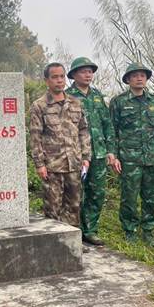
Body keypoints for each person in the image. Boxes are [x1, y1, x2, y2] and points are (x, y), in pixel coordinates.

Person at [30, 63, 91, 228]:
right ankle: (53, 242)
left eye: (62, 76)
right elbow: (35, 136)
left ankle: (72, 240)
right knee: (52, 209)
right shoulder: (40, 105)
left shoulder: (76, 103)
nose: (59, 80)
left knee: (74, 207)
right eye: (54, 77)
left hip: (74, 164)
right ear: (47, 80)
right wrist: (39, 164)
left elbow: (83, 131)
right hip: (52, 166)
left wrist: (86, 157)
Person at [110, 63, 154, 246]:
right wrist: (114, 155)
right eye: (135, 76)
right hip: (129, 158)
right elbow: (112, 131)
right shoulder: (119, 102)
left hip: (151, 158)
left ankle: (148, 230)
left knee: (151, 196)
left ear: (146, 79)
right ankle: (130, 230)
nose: (139, 78)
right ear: (128, 80)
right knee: (129, 196)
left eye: (142, 75)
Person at [66, 57, 115, 246]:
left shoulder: (97, 96)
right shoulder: (68, 97)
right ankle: (74, 229)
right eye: (83, 71)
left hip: (99, 153)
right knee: (76, 193)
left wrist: (111, 150)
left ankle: (90, 230)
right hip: (77, 154)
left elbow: (107, 124)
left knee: (97, 193)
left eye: (90, 71)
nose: (88, 75)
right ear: (74, 75)